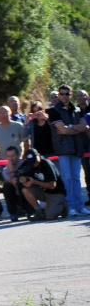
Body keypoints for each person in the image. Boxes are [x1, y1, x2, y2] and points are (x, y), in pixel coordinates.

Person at [46, 84, 90, 216]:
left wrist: (69, 127)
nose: (64, 96)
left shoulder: (76, 110)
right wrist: (73, 129)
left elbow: (85, 127)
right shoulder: (53, 111)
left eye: (67, 94)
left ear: (70, 95)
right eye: (62, 94)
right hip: (63, 149)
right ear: (59, 95)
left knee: (76, 178)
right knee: (67, 178)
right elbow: (62, 130)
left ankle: (79, 205)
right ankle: (69, 206)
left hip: (77, 148)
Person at [18, 148, 67, 221]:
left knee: (50, 217)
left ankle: (63, 206)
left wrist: (34, 182)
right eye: (31, 162)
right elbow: (19, 175)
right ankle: (39, 211)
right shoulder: (27, 164)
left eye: (34, 161)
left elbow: (52, 186)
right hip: (43, 192)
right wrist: (24, 181)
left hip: (56, 193)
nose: (33, 163)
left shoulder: (46, 163)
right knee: (25, 190)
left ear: (38, 155)